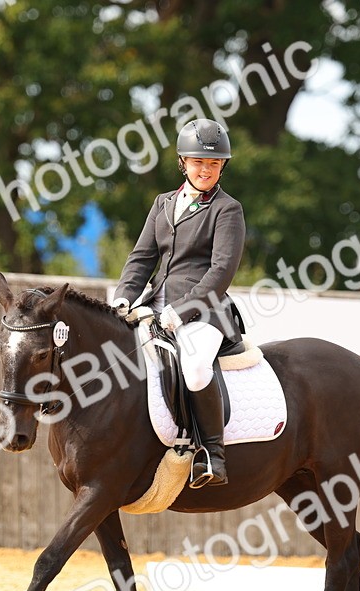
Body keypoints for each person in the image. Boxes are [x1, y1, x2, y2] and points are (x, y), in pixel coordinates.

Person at [111, 118, 246, 488]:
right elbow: (141, 257)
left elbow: (220, 273)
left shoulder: (227, 210)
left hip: (205, 312)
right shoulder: (162, 203)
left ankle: (213, 456)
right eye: (199, 162)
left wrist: (180, 311)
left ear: (222, 167)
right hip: (155, 305)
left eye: (214, 164)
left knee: (196, 365)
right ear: (183, 163)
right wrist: (123, 297)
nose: (206, 170)